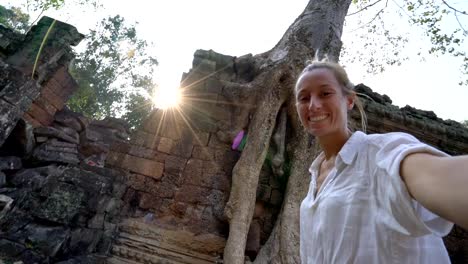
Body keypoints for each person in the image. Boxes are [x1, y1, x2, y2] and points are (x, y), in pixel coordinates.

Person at [296, 59, 468, 263]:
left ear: (349, 100)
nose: (313, 105)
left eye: (325, 93)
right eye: (304, 98)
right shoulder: (312, 187)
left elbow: (438, 177)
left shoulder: (382, 153)